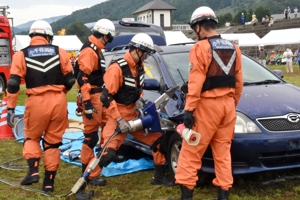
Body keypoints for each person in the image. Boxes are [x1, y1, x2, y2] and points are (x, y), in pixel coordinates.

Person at [75, 33, 174, 199]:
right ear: (137, 49)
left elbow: (137, 90)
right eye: (146, 53)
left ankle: (158, 176)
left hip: (133, 114)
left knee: (158, 140)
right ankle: (82, 186)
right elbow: (106, 97)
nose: (147, 57)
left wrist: (140, 102)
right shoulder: (117, 68)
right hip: (117, 117)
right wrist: (120, 120)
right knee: (107, 154)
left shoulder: (139, 66)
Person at [174, 6, 243, 200]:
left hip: (207, 107)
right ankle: (223, 196)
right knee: (223, 153)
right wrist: (231, 104)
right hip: (228, 106)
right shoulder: (234, 48)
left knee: (191, 151)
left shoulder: (199, 48)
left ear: (198, 27)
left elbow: (195, 82)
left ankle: (186, 197)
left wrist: (189, 109)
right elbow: (239, 82)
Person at [6, 20, 75, 192]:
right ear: (48, 36)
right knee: (53, 144)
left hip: (36, 101)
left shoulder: (21, 55)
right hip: (59, 101)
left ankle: (33, 171)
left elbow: (13, 84)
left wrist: (11, 108)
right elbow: (70, 80)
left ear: (32, 36)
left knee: (31, 137)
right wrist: (59, 95)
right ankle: (49, 183)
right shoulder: (60, 52)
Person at [75, 18, 116, 192]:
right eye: (109, 38)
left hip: (98, 96)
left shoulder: (95, 50)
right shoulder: (90, 51)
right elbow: (81, 78)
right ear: (105, 35)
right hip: (92, 97)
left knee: (106, 129)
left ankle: (95, 166)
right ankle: (87, 174)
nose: (109, 42)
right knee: (91, 137)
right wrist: (87, 103)